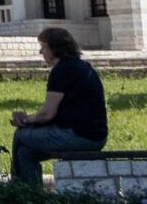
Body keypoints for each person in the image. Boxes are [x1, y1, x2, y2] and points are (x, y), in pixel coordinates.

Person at [10, 26, 108, 185]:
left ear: (55, 48)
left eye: (43, 47)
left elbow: (48, 114)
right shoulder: (80, 66)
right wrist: (30, 119)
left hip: (78, 136)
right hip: (95, 135)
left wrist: (25, 121)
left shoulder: (62, 71)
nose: (40, 52)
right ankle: (30, 193)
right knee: (25, 153)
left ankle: (18, 186)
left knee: (20, 135)